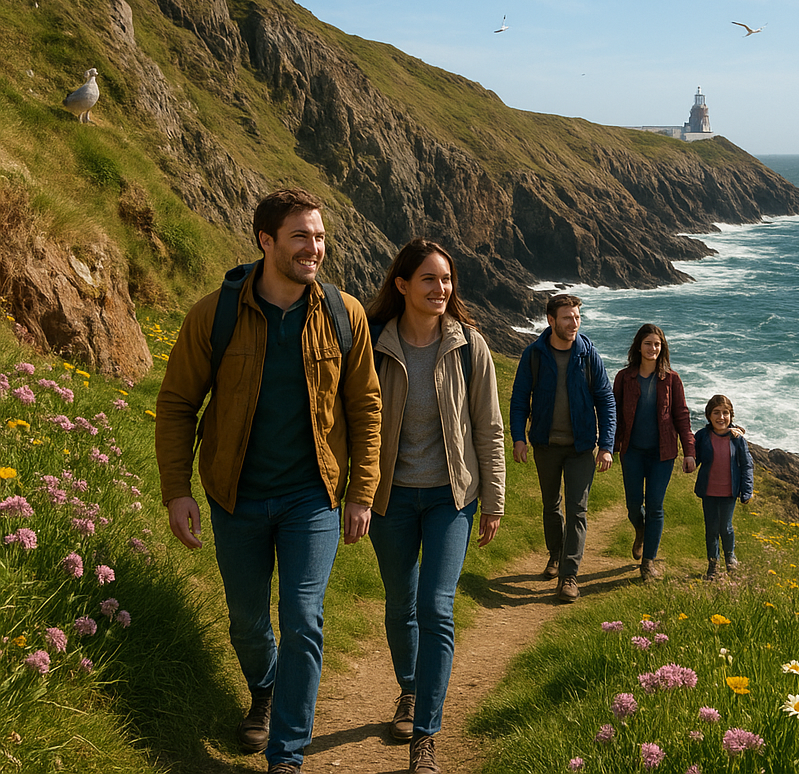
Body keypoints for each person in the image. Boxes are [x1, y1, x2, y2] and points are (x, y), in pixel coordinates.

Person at [155, 188, 382, 774]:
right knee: (248, 621)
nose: (315, 248)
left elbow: (366, 407)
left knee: (303, 615)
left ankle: (288, 752)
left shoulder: (344, 314)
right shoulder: (217, 313)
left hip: (313, 497)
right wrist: (177, 490)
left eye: (320, 236)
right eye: (301, 236)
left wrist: (360, 492)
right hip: (237, 496)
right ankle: (266, 688)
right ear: (265, 240)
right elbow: (178, 402)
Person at [364, 238, 505, 774]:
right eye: (428, 279)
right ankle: (409, 689)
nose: (441, 289)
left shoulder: (470, 345)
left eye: (446, 280)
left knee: (437, 607)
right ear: (402, 285)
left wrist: (492, 500)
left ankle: (425, 734)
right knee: (401, 602)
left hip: (453, 498)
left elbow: (490, 428)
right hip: (390, 499)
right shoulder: (373, 344)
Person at [509, 293, 616, 603]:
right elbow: (519, 400)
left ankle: (569, 576)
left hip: (581, 447)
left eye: (578, 317)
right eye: (568, 318)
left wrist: (606, 446)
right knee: (551, 505)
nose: (574, 323)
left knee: (577, 510)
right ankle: (555, 554)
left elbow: (606, 401)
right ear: (551, 320)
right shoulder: (534, 355)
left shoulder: (588, 354)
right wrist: (519, 438)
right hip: (545, 444)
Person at [612, 323, 696, 582]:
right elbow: (613, 414)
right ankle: (641, 530)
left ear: (663, 348)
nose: (653, 348)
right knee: (633, 505)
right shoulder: (624, 377)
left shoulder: (672, 379)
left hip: (663, 454)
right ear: (639, 346)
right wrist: (608, 447)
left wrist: (689, 451)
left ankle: (648, 563)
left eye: (657, 344)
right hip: (632, 452)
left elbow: (681, 415)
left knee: (656, 507)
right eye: (648, 343)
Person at [693, 394, 754, 580]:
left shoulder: (737, 438)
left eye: (725, 413)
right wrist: (688, 461)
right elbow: (695, 458)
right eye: (716, 413)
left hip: (729, 492)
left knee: (725, 527)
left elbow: (747, 465)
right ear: (708, 416)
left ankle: (730, 559)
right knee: (711, 529)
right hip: (709, 490)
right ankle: (713, 565)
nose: (721, 417)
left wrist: (747, 490)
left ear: (731, 415)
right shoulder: (702, 436)